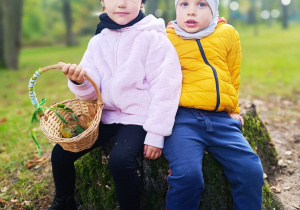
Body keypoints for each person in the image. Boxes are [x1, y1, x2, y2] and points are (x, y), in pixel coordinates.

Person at [49, 0, 182, 209]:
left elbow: (167, 87)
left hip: (139, 118)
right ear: (103, 2)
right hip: (106, 115)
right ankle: (64, 202)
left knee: (120, 161)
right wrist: (79, 81)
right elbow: (90, 91)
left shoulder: (153, 38)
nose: (121, 3)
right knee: (60, 153)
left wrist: (157, 133)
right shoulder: (98, 41)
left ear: (141, 2)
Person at [163, 0, 265, 209]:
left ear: (214, 9)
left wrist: (233, 109)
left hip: (220, 120)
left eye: (201, 4)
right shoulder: (166, 39)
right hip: (182, 120)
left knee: (251, 170)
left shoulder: (227, 34)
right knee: (188, 176)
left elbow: (232, 73)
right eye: (184, 4)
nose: (191, 11)